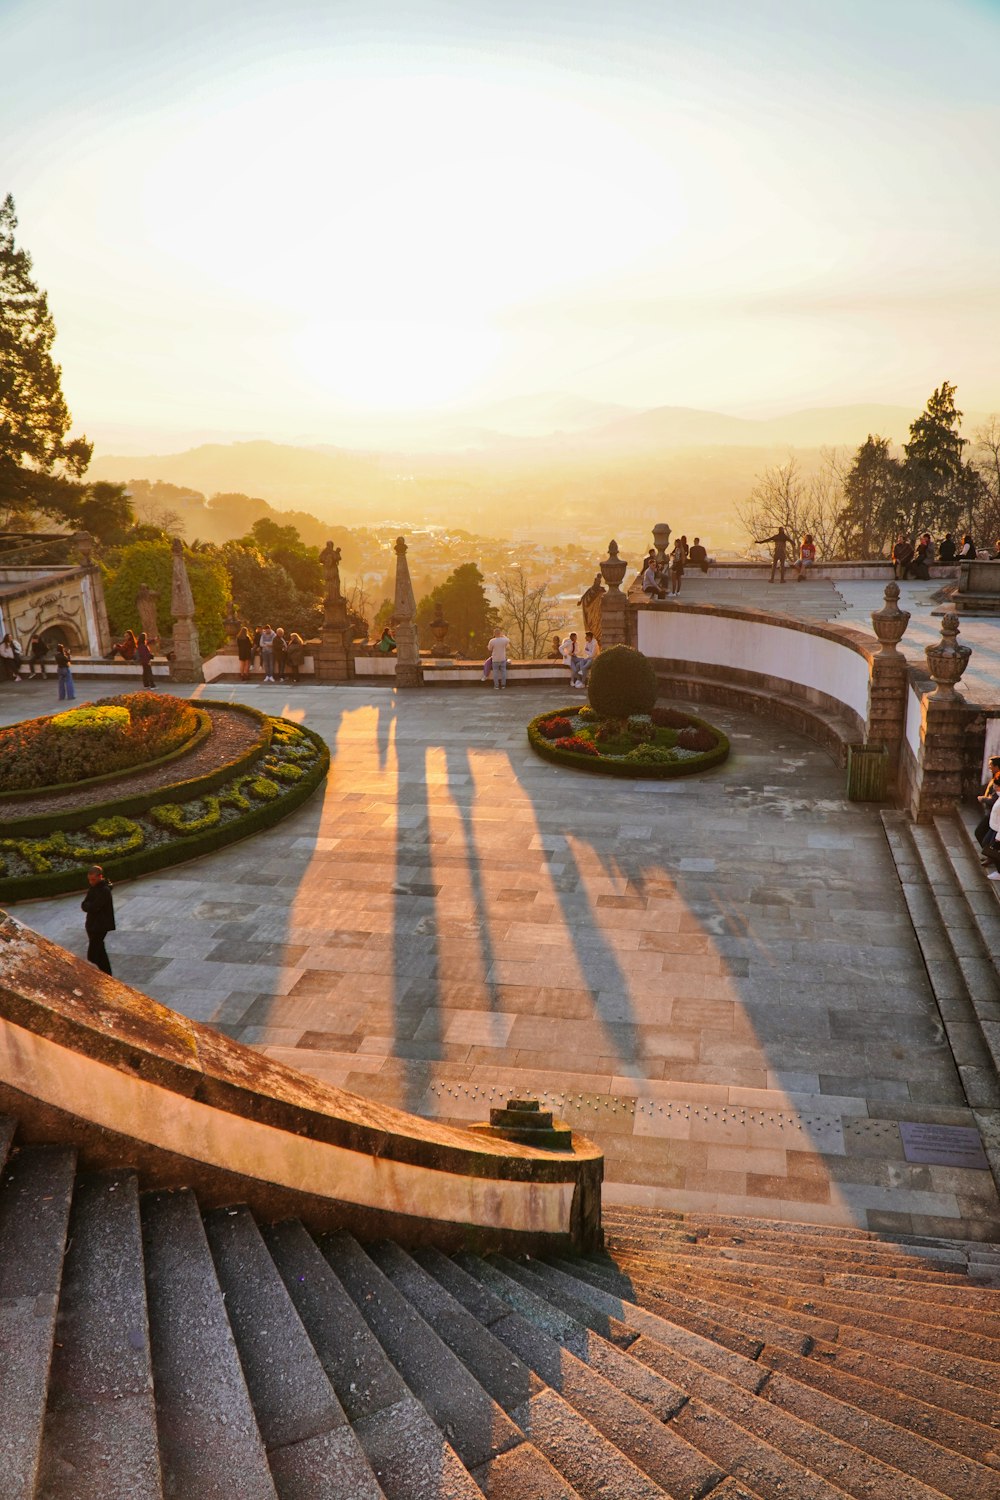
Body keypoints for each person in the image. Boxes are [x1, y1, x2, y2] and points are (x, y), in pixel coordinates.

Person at [81, 864, 115, 975]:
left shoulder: (104, 890)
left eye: (93, 879)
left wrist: (88, 906)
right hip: (92, 925)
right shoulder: (94, 888)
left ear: (100, 877)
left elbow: (93, 906)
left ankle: (103, 975)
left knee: (92, 955)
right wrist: (89, 906)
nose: (91, 882)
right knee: (100, 952)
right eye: (89, 880)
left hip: (100, 926)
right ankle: (107, 974)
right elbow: (84, 904)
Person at [975, 757, 1000, 849]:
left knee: (980, 833)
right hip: (992, 814)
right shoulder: (995, 776)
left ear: (997, 767)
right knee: (986, 837)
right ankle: (989, 855)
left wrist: (983, 799)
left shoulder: (998, 779)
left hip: (994, 815)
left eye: (991, 765)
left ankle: (990, 855)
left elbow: (995, 798)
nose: (989, 767)